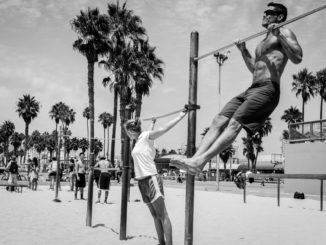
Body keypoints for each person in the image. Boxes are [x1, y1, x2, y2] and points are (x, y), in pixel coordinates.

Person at [171, 2, 302, 182]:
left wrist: (280, 35)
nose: (264, 15)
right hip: (253, 87)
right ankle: (195, 160)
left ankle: (201, 160)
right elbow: (254, 69)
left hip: (268, 88)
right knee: (219, 120)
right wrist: (243, 51)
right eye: (264, 12)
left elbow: (297, 57)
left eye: (269, 12)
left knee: (234, 123)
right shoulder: (263, 40)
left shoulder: (284, 32)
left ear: (279, 17)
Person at [124, 110, 187, 245]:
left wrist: (181, 116)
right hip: (141, 182)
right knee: (154, 215)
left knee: (162, 214)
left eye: (126, 132)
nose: (126, 134)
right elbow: (147, 137)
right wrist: (152, 123)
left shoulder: (146, 136)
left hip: (151, 179)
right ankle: (161, 243)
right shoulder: (140, 140)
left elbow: (163, 129)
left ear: (130, 131)